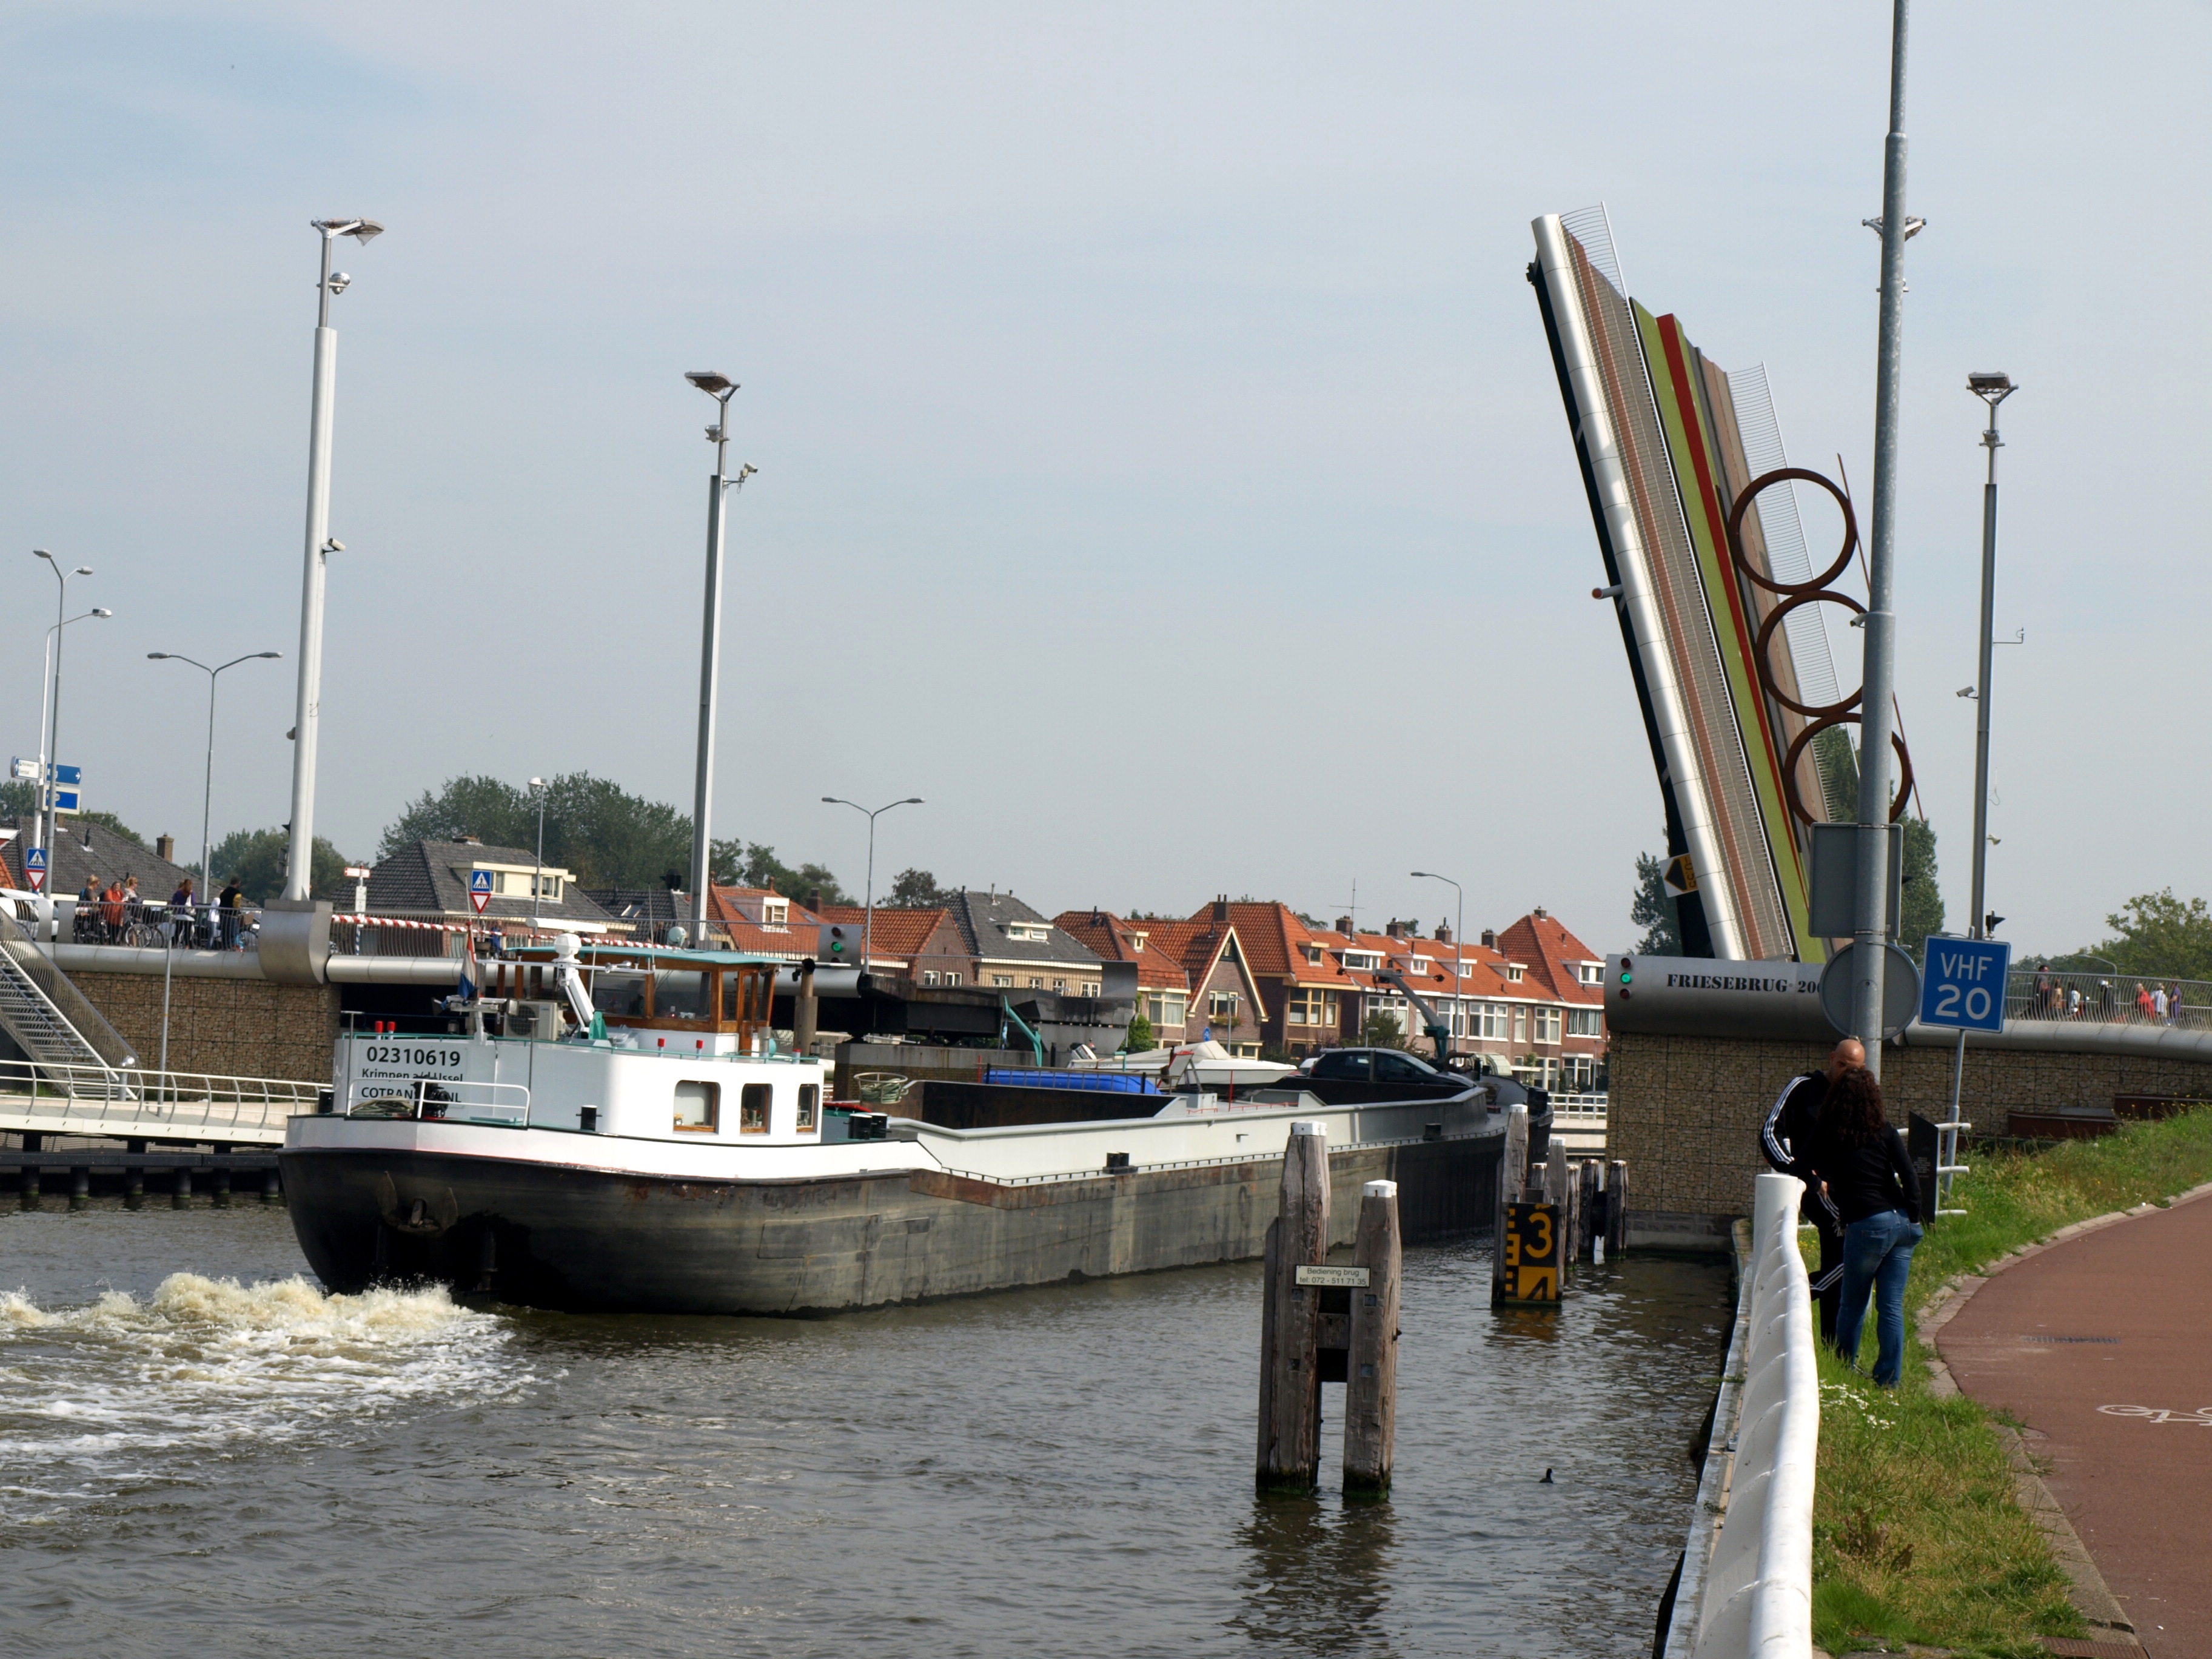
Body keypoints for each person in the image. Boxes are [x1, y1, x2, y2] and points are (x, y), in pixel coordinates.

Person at [1817, 1065, 1925, 1387]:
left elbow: (1811, 1164)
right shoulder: (1885, 1129)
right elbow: (1909, 1175)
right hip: (1903, 1224)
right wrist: (1914, 1215)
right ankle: (1889, 1381)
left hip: (1867, 1225)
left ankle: (1842, 1370)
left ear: (1836, 1098)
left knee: (1852, 1304)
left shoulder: (1832, 1133)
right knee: (1891, 1305)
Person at [1761, 1037, 1862, 1344]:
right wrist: (1801, 1173)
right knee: (1853, 1248)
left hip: (1847, 1190)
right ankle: (1790, 1298)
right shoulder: (1803, 1088)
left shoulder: (1858, 1097)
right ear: (1832, 1058)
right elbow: (1769, 1133)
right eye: (1842, 1064)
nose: (1845, 1073)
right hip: (1815, 1189)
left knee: (1842, 1263)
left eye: (1853, 1068)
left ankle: (1830, 1344)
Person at [219, 876, 245, 950]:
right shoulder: (237, 893)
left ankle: (225, 948)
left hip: (223, 915)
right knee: (233, 933)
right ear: (237, 883)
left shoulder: (224, 892)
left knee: (224, 933)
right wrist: (238, 910)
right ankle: (231, 947)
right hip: (232, 916)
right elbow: (236, 904)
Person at [167, 876, 195, 947]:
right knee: (187, 931)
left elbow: (173, 903)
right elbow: (194, 903)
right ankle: (187, 946)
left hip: (180, 913)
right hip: (188, 915)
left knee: (178, 930)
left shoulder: (178, 893)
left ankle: (173, 944)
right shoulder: (191, 893)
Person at [100, 876, 126, 943]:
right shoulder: (109, 891)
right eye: (116, 885)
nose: (117, 887)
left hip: (118, 913)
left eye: (118, 886)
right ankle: (110, 941)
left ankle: (114, 941)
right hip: (110, 912)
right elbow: (109, 898)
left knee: (117, 928)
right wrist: (112, 901)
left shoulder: (120, 893)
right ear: (113, 886)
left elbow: (124, 899)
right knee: (111, 927)